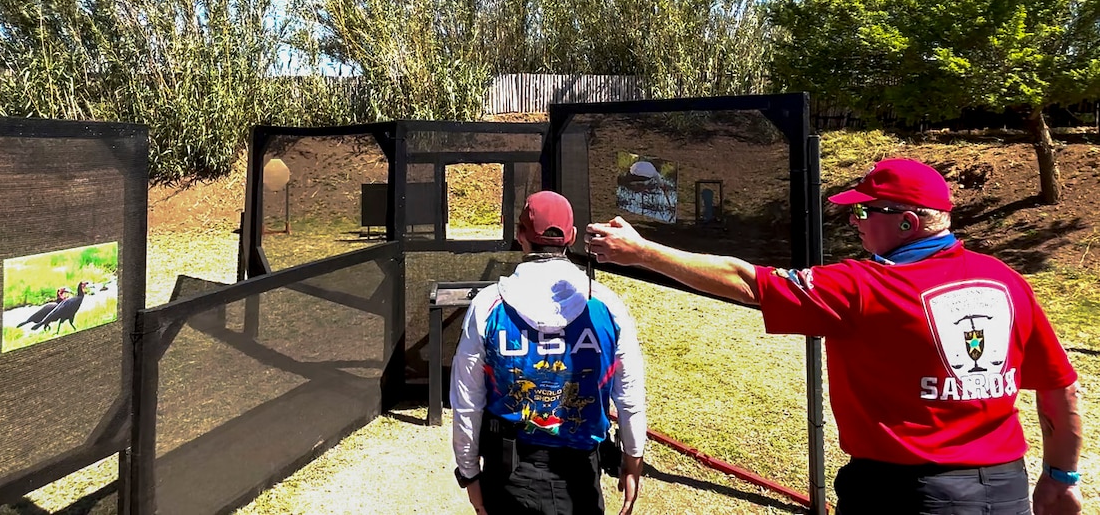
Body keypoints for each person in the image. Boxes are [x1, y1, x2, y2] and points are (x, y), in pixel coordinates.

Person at [586, 158, 1083, 515]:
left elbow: (746, 282)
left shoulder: (865, 285)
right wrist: (1061, 479)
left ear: (908, 223)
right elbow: (1060, 387)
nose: (853, 221)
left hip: (905, 493)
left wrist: (643, 252)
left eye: (865, 212)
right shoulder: (1006, 280)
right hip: (1006, 488)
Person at [451, 190, 647, 515]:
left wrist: (468, 474)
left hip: (508, 473)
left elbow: (466, 402)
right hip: (582, 473)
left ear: (520, 234)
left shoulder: (488, 306)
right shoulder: (608, 305)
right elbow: (629, 395)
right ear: (570, 237)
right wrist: (633, 457)